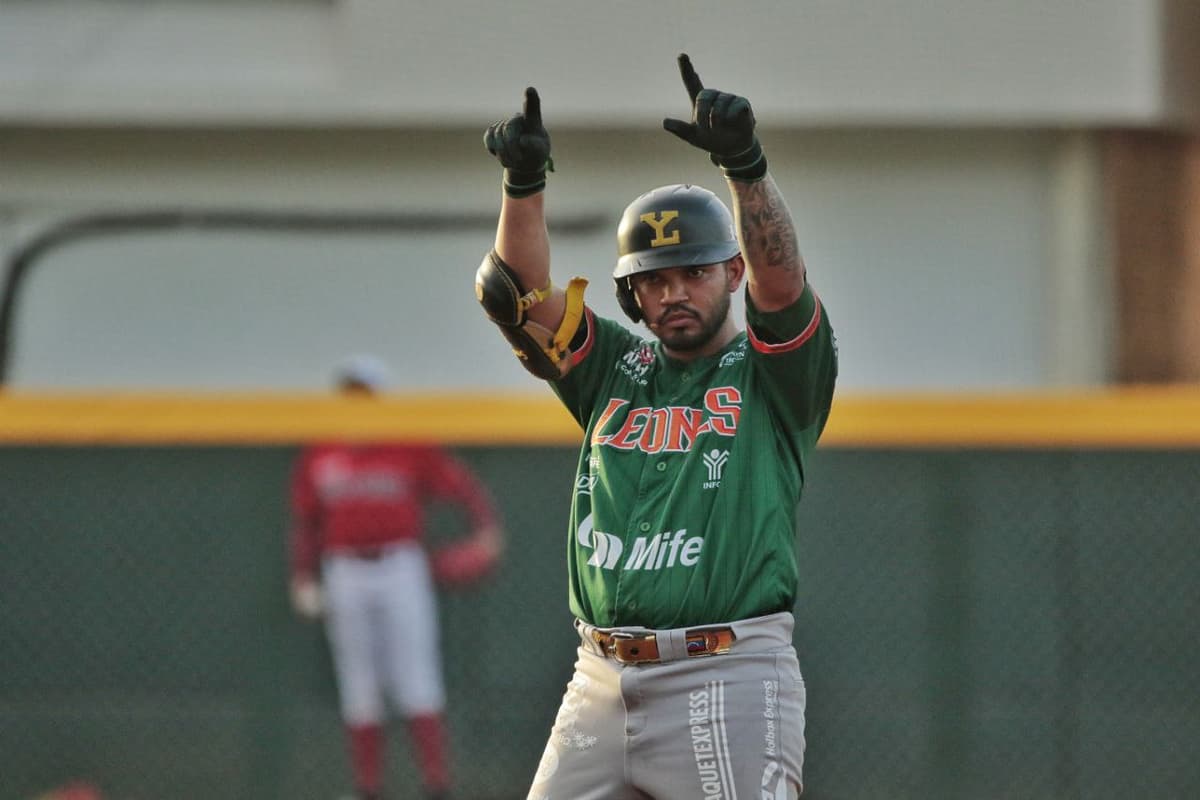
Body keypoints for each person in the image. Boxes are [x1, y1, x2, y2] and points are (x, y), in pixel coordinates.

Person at [477, 54, 837, 798]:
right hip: (598, 679)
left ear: (731, 273)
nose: (673, 292)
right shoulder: (613, 366)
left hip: (726, 673)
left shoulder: (774, 375)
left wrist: (745, 166)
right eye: (653, 279)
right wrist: (523, 184)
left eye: (694, 272)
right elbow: (514, 293)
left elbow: (783, 287)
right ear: (631, 294)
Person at [288, 354, 503, 800]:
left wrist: (485, 532)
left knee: (417, 680)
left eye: (364, 394)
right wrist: (302, 576)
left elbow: (459, 484)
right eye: (350, 394)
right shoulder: (322, 448)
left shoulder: (407, 441)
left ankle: (436, 787)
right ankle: (368, 790)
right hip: (344, 570)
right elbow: (305, 520)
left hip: (400, 567)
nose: (356, 402)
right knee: (359, 685)